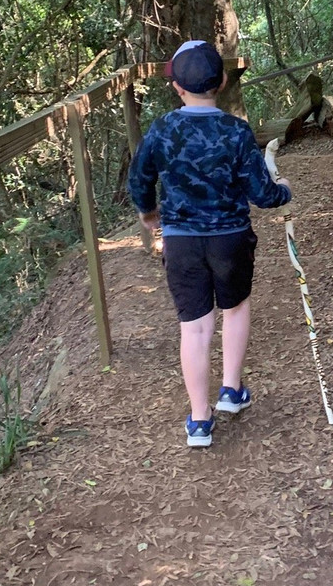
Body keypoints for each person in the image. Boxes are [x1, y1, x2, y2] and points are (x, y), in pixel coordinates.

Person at [128, 40, 292, 447]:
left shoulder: (163, 129)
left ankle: (200, 421)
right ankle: (231, 392)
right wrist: (284, 189)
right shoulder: (236, 131)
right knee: (234, 309)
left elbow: (139, 179)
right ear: (220, 81)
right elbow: (263, 193)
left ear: (177, 88)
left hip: (182, 242)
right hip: (230, 239)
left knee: (195, 328)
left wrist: (150, 216)